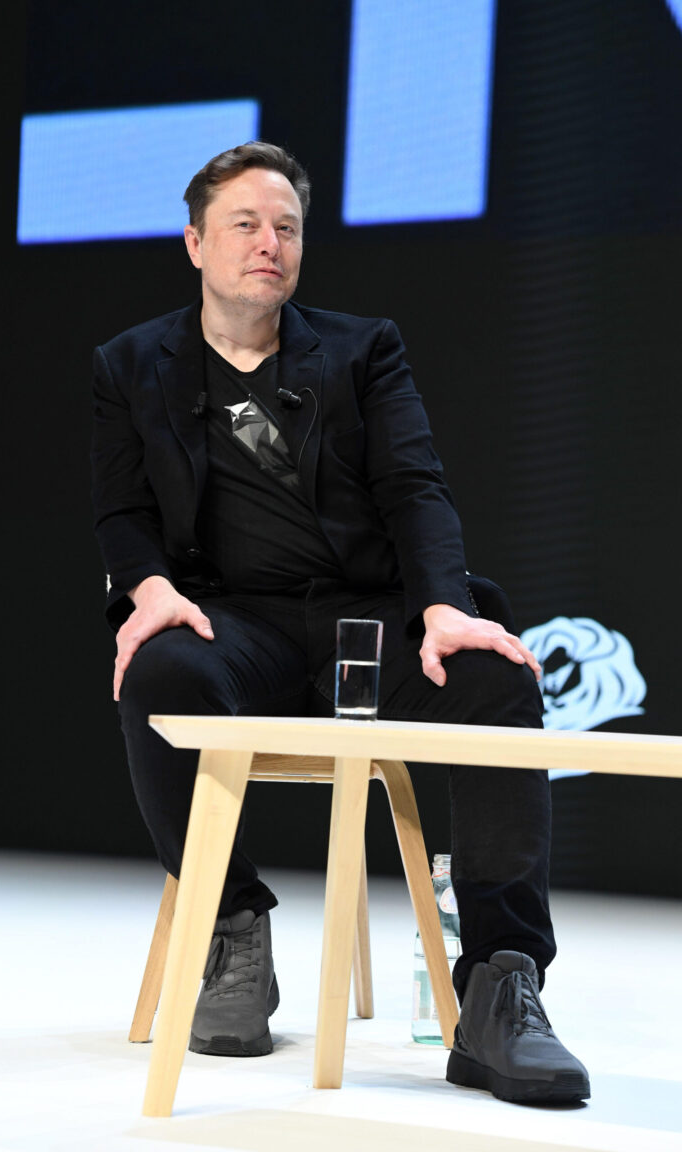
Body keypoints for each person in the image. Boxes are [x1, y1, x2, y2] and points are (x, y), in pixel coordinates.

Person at [91, 141, 589, 1104]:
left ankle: (499, 986)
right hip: (238, 627)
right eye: (245, 224)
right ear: (195, 242)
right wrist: (145, 587)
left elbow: (415, 486)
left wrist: (442, 603)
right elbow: (123, 513)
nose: (268, 243)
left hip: (367, 623)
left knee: (496, 678)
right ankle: (231, 934)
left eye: (287, 227)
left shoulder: (364, 349)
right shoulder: (130, 365)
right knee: (159, 670)